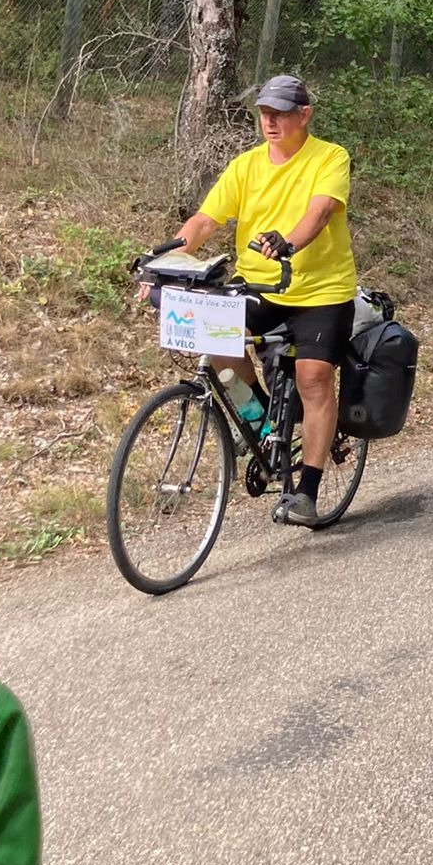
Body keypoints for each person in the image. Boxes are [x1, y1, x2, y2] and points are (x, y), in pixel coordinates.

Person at [167, 74, 356, 527]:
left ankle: (306, 491)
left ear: (304, 115)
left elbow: (320, 211)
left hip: (321, 290)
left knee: (313, 378)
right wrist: (167, 255)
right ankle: (263, 423)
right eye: (264, 113)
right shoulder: (246, 166)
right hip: (259, 286)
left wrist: (288, 243)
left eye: (280, 114)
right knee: (216, 343)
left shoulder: (330, 157)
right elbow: (206, 220)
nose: (269, 122)